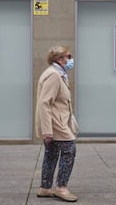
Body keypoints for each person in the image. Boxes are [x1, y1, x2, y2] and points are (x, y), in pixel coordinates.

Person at [35, 45, 79, 202]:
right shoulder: (54, 75)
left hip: (57, 122)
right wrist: (47, 130)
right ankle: (61, 188)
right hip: (55, 124)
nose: (70, 59)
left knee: (51, 154)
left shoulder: (59, 73)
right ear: (59, 59)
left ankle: (45, 188)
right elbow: (45, 103)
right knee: (69, 151)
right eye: (68, 56)